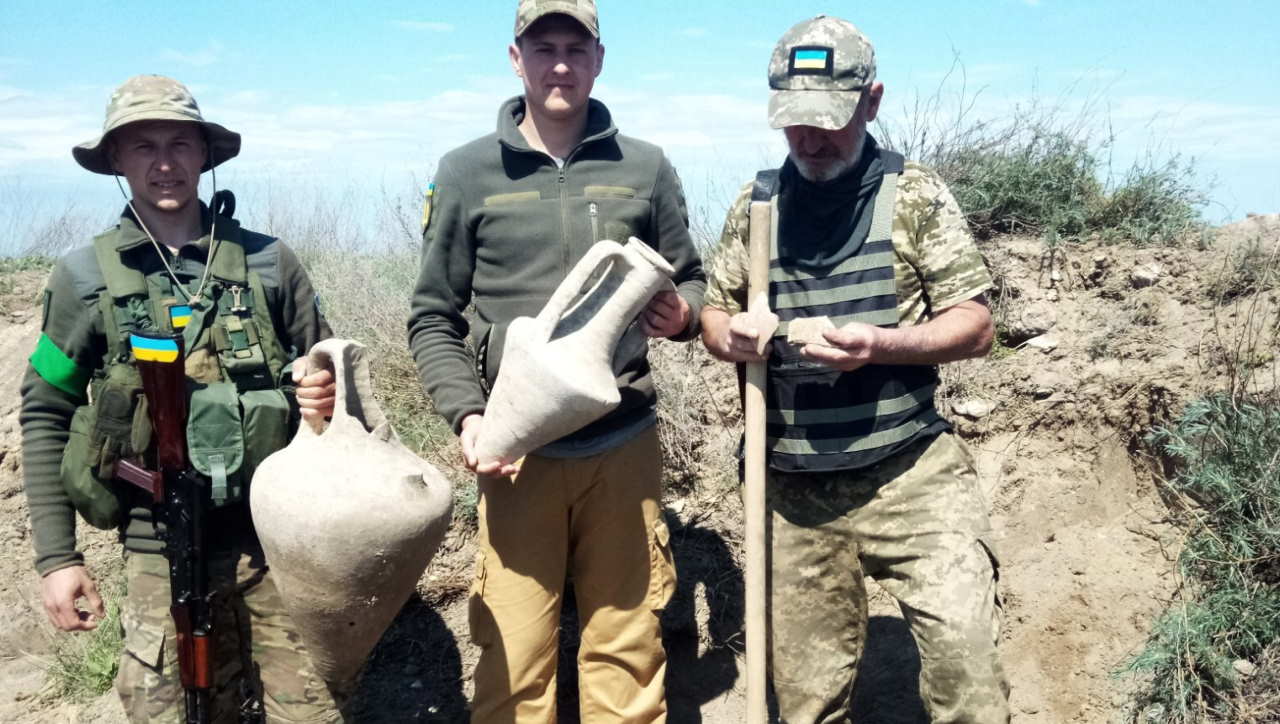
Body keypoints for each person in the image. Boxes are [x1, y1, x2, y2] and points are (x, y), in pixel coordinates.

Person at [699, 15, 1010, 724]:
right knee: (807, 703)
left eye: (828, 121)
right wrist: (734, 336)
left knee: (968, 674)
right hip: (791, 488)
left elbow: (975, 326)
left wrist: (878, 345)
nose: (809, 140)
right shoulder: (757, 206)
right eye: (794, 123)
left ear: (871, 102)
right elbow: (713, 316)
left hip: (912, 474)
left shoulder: (915, 196)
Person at [407, 1, 706, 720]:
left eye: (576, 48)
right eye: (544, 48)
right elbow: (433, 315)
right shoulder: (466, 172)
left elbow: (692, 277)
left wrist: (684, 315)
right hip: (518, 454)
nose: (561, 65)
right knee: (513, 660)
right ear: (517, 59)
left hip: (623, 445)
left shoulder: (645, 167)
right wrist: (470, 417)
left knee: (628, 651)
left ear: (599, 59)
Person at [21, 74, 344, 722]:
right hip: (158, 551)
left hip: (278, 544)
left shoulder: (271, 263)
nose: (164, 163)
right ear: (117, 158)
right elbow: (45, 410)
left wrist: (325, 393)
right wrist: (58, 559)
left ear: (204, 154)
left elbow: (334, 377)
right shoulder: (82, 277)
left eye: (179, 144)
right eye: (144, 146)